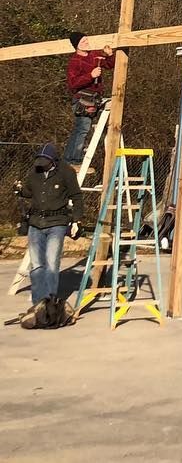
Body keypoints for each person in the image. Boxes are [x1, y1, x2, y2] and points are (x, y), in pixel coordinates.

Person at [14, 143, 83, 328]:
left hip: (57, 223)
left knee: (52, 263)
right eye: (39, 162)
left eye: (45, 162)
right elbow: (28, 192)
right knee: (37, 265)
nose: (41, 165)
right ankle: (39, 304)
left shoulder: (66, 173)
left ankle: (51, 302)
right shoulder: (34, 172)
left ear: (53, 161)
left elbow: (77, 196)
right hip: (36, 223)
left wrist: (76, 220)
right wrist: (20, 189)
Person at [64, 32, 114, 168]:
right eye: (83, 41)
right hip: (82, 100)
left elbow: (109, 65)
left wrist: (110, 55)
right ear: (77, 45)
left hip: (93, 99)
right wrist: (90, 75)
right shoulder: (74, 62)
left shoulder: (93, 56)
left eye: (87, 40)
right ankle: (74, 161)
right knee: (82, 129)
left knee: (80, 130)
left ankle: (69, 159)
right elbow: (72, 83)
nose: (86, 42)